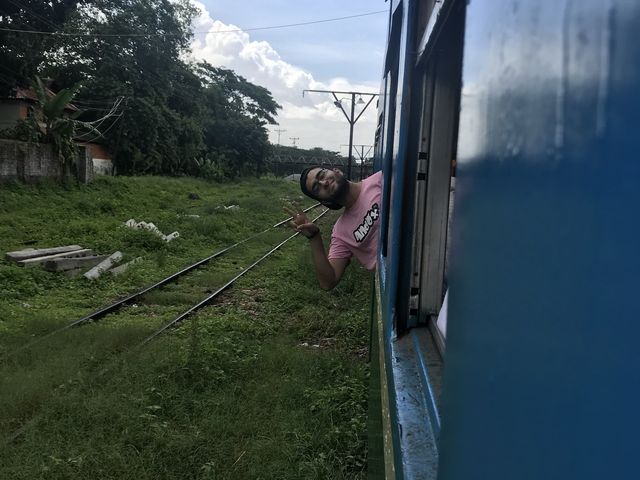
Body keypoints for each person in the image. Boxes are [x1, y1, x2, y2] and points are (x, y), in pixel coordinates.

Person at [284, 166, 382, 290]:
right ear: (323, 201)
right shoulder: (340, 232)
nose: (324, 183)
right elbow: (328, 282)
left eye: (322, 175)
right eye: (316, 188)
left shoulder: (380, 179)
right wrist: (314, 237)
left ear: (336, 171)